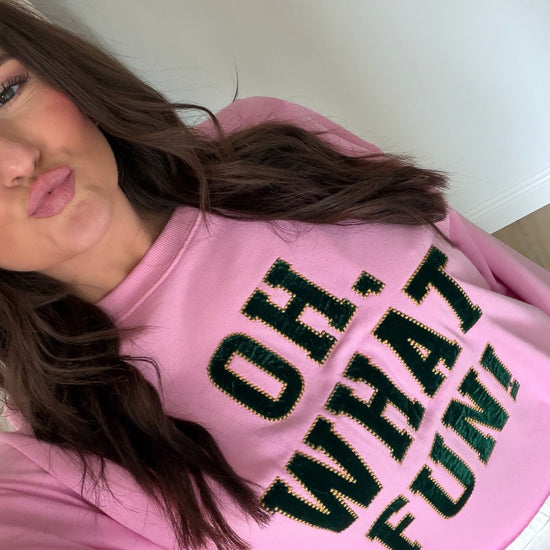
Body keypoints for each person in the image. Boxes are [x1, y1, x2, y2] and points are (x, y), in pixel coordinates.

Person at [0, 1, 549, 549]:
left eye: (5, 93)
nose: (18, 160)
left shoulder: (267, 141)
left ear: (61, 75)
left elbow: (487, 267)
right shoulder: (62, 450)